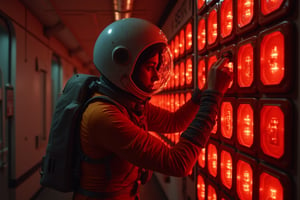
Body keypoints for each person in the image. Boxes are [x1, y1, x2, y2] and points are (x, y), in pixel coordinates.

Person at [73, 18, 233, 200]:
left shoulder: (126, 104)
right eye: (150, 67)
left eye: (157, 67)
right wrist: (212, 98)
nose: (156, 76)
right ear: (122, 64)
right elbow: (178, 163)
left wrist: (202, 94)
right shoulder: (103, 116)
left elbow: (174, 122)